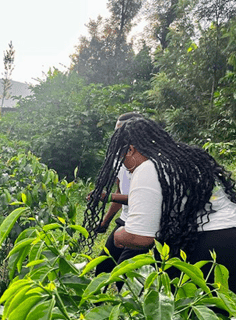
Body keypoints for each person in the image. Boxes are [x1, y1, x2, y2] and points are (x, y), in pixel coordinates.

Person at [84, 117, 236, 291]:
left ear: (131, 150)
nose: (125, 166)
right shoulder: (186, 158)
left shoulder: (149, 167)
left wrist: (119, 236)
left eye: (122, 157)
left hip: (207, 244)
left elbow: (141, 237)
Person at [91, 112, 146, 276]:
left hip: (143, 224)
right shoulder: (118, 158)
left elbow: (142, 198)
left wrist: (108, 197)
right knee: (103, 267)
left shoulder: (148, 161)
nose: (118, 136)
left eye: (122, 132)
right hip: (125, 220)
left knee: (124, 272)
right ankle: (97, 302)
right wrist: (106, 221)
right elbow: (121, 191)